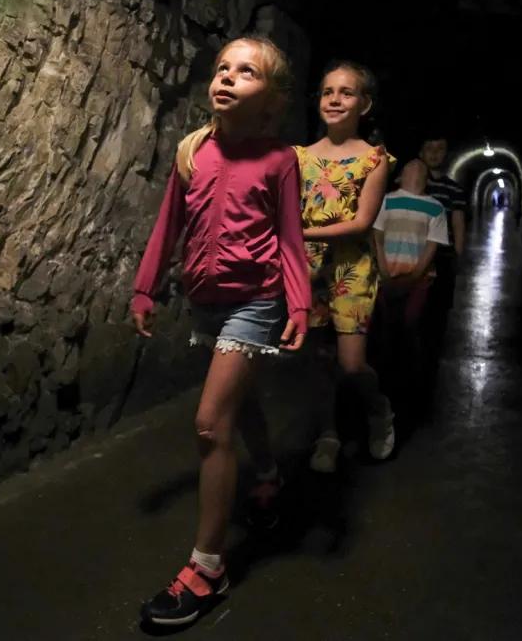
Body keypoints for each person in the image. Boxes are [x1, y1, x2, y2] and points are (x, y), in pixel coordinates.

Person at [131, 36, 311, 627]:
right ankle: (265, 472)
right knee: (241, 399)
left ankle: (208, 568)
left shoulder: (281, 161)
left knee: (210, 422)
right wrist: (146, 287)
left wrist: (300, 305)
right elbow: (169, 224)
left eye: (246, 71)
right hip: (207, 301)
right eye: (221, 68)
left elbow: (289, 236)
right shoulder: (193, 153)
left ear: (271, 100)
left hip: (256, 303)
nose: (227, 77)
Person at [294, 59, 395, 473]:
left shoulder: (375, 159)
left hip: (351, 266)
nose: (335, 99)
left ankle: (380, 409)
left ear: (364, 104)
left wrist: (297, 233)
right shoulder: (297, 157)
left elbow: (361, 222)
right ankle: (328, 433)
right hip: (307, 267)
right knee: (318, 359)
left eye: (346, 92)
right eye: (328, 91)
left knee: (351, 364)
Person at [373, 159, 449, 415]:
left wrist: (416, 274)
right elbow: (377, 236)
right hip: (388, 275)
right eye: (410, 166)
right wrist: (383, 270)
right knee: (387, 326)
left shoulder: (436, 208)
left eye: (420, 168)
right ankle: (386, 381)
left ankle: (410, 383)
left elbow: (432, 244)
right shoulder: (387, 200)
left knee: (410, 323)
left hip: (419, 279)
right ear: (400, 176)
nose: (415, 169)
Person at [419, 136, 468, 358]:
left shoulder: (454, 189)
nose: (434, 153)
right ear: (421, 153)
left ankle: (433, 347)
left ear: (447, 154)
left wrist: (459, 253)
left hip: (442, 255)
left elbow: (458, 222)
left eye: (440, 149)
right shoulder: (414, 184)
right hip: (416, 253)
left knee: (439, 305)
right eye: (429, 148)